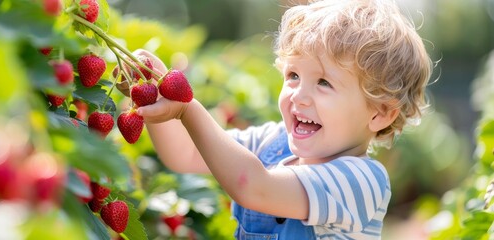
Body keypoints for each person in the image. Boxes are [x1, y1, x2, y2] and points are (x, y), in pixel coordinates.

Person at [118, 0, 433, 238]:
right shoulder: (272, 143)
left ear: (380, 112)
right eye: (293, 75)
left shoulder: (362, 182)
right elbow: (186, 154)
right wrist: (157, 95)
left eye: (324, 82)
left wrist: (188, 108)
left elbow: (253, 186)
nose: (299, 95)